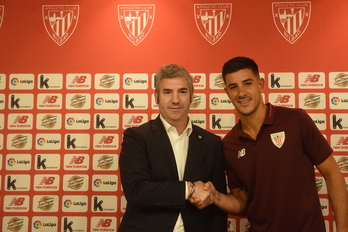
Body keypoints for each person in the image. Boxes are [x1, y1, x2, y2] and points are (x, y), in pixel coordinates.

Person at [192, 57, 348, 232]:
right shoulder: (229, 144)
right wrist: (216, 197)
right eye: (233, 87)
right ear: (227, 92)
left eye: (247, 83)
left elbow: (333, 174)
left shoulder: (296, 120)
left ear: (261, 84)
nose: (241, 93)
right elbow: (243, 202)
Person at [118, 64, 227, 232]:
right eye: (167, 92)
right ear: (156, 97)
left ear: (191, 96)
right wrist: (189, 189)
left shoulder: (211, 142)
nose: (175, 100)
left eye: (182, 92)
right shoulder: (137, 137)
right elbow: (136, 191)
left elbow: (217, 203)